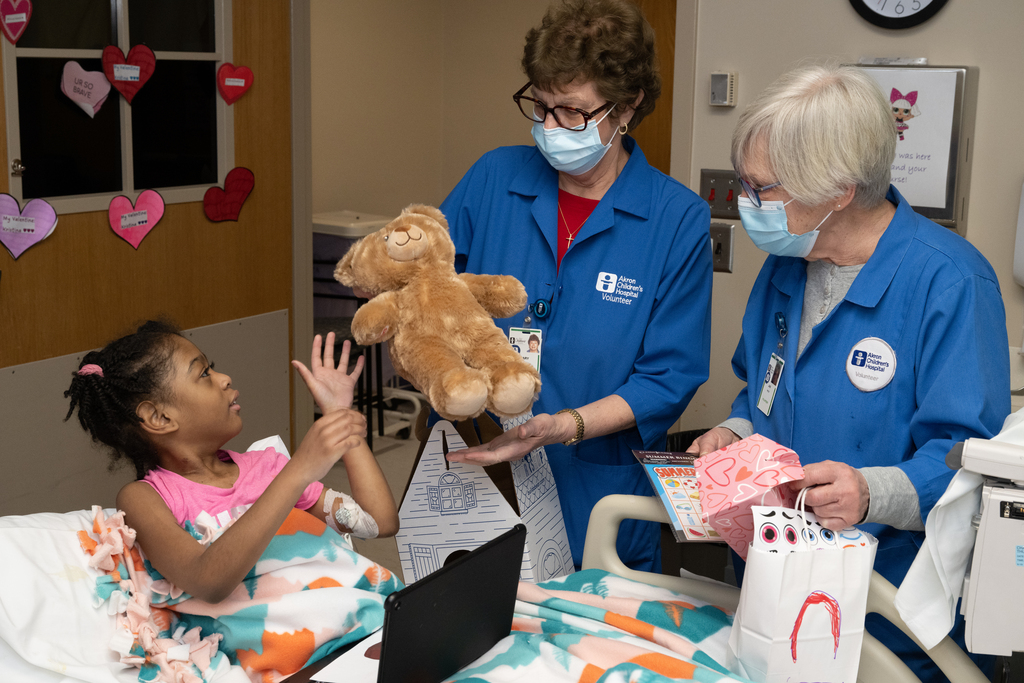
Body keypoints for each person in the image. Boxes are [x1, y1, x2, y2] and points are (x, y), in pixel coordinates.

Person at [687, 63, 1008, 681]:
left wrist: (869, 492)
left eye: (762, 189)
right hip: (777, 581)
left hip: (891, 607)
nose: (746, 204)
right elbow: (763, 389)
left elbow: (970, 462)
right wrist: (733, 431)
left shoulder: (950, 282)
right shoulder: (788, 263)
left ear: (836, 191)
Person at [443, 0, 713, 573]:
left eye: (572, 112)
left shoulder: (675, 219)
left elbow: (668, 377)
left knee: (588, 623)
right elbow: (429, 289)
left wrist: (565, 426)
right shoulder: (494, 177)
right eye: (541, 106)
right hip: (475, 460)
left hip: (593, 481)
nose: (550, 127)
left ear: (628, 105)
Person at [64, 321, 399, 604]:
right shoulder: (145, 499)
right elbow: (208, 581)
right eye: (204, 373)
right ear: (159, 417)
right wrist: (298, 471)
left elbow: (378, 522)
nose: (224, 378)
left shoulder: (268, 467)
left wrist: (339, 415)